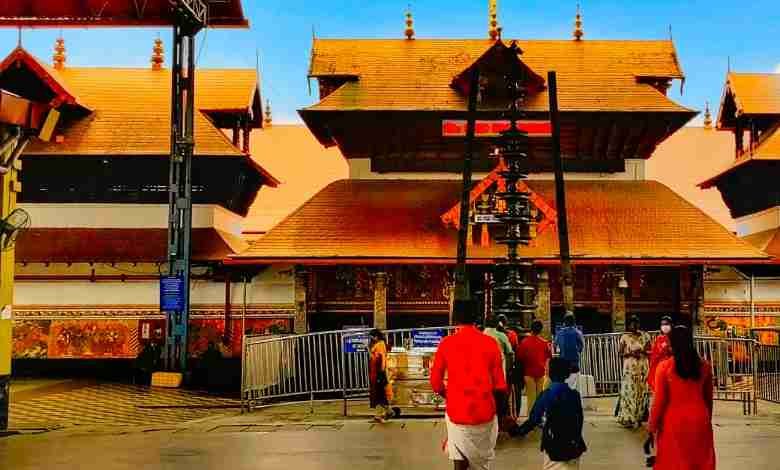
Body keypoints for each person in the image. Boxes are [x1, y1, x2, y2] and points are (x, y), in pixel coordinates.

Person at [431, 299, 508, 470]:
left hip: (457, 410)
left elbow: (436, 382)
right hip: (485, 411)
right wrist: (503, 413)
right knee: (482, 462)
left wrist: (449, 395)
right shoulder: (490, 343)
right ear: (477, 318)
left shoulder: (446, 343)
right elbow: (500, 385)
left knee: (459, 460)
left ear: (456, 319)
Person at [648, 326, 716, 470]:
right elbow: (708, 400)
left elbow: (659, 402)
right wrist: (706, 420)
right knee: (700, 462)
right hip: (700, 419)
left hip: (673, 422)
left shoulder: (664, 367)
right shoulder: (705, 366)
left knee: (674, 463)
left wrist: (651, 428)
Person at [509, 357, 587, 469]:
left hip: (554, 450)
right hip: (574, 448)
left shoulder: (547, 395)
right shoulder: (575, 395)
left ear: (551, 372)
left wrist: (517, 431)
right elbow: (580, 420)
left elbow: (534, 420)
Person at [617, 315, 652, 428]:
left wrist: (642, 352)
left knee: (641, 393)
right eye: (632, 323)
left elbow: (650, 351)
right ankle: (628, 417)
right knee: (629, 392)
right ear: (629, 325)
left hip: (642, 369)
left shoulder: (645, 336)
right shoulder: (625, 337)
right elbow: (620, 353)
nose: (635, 325)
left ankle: (639, 416)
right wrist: (631, 353)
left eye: (636, 323)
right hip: (629, 369)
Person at [517, 320, 552, 415]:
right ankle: (539, 416)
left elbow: (520, 357)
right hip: (541, 373)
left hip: (528, 373)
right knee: (540, 396)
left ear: (531, 329)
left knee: (531, 398)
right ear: (541, 330)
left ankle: (531, 417)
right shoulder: (544, 343)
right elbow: (549, 357)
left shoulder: (524, 342)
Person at [369, 328, 393, 423]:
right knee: (378, 394)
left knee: (380, 394)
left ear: (376, 336)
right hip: (377, 372)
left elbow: (381, 359)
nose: (372, 338)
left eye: (372, 336)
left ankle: (388, 411)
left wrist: (381, 372)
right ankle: (379, 415)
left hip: (379, 373)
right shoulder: (379, 344)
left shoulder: (380, 345)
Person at [554, 313, 583, 388]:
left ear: (564, 323)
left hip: (563, 361)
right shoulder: (577, 332)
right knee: (573, 384)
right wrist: (577, 352)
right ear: (574, 322)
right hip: (574, 362)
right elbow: (581, 346)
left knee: (564, 382)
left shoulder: (559, 333)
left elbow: (555, 345)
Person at [648, 316, 674, 393]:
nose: (664, 326)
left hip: (673, 367)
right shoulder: (659, 338)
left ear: (671, 325)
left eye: (666, 324)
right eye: (662, 324)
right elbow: (655, 353)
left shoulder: (676, 337)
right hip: (661, 368)